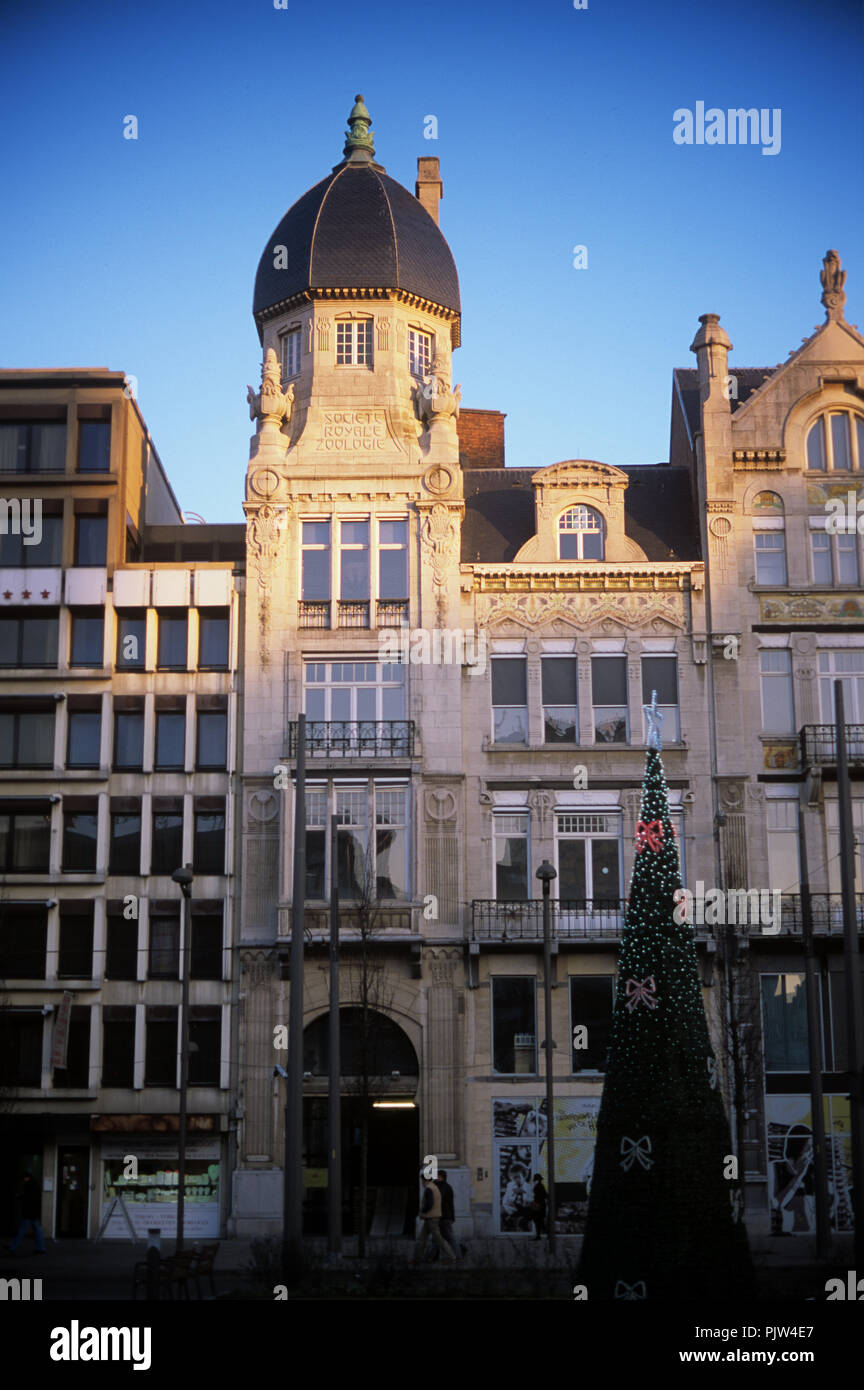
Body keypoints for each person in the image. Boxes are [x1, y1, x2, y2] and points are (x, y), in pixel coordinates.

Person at [413, 1173, 456, 1264]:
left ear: (425, 1180)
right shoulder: (434, 1187)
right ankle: (417, 1258)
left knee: (438, 1239)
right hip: (431, 1218)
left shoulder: (429, 1189)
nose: (422, 1183)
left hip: (431, 1218)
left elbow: (429, 1204)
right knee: (422, 1238)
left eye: (422, 1180)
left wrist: (423, 1212)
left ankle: (451, 1257)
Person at [9, 1173, 46, 1254]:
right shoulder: (35, 1186)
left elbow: (28, 1199)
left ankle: (13, 1246)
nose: (24, 1180)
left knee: (22, 1230)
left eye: (24, 1179)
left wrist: (20, 1196)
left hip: (29, 1213)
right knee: (37, 1231)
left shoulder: (29, 1186)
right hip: (34, 1213)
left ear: (27, 1178)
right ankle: (41, 1248)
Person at [435, 1169, 461, 1260]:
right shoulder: (440, 1186)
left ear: (442, 1177)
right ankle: (434, 1256)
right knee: (437, 1238)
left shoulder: (444, 1187)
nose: (436, 1177)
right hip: (441, 1216)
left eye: (438, 1176)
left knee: (449, 1237)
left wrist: (451, 1217)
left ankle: (458, 1255)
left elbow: (449, 1203)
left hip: (444, 1216)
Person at [530, 1174, 548, 1240]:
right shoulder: (541, 1186)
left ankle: (539, 1235)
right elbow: (545, 1195)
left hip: (538, 1205)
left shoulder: (538, 1186)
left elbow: (544, 1195)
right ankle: (543, 1234)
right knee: (540, 1221)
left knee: (538, 1221)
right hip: (540, 1205)